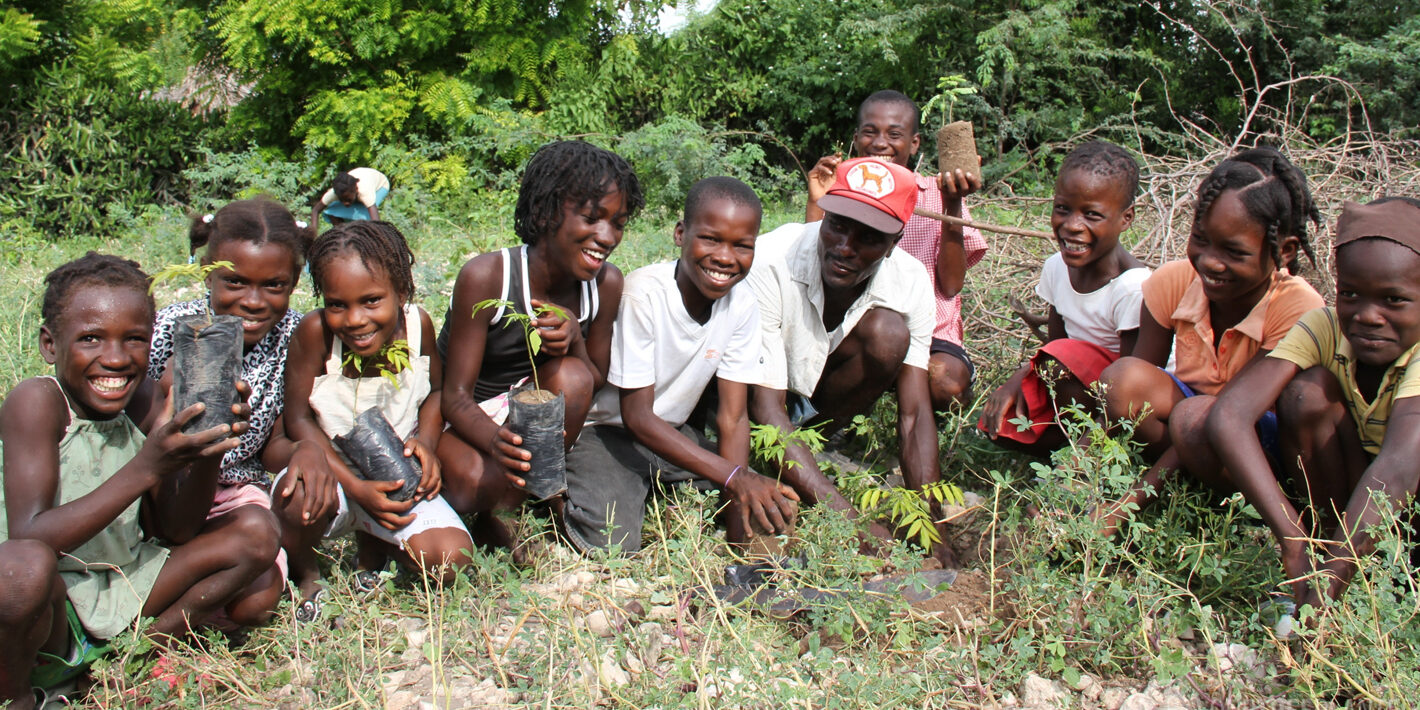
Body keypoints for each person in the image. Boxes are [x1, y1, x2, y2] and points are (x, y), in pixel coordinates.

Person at [0, 254, 274, 709]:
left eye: (134, 340)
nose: (115, 358)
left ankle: (128, 658)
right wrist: (146, 467)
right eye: (91, 339)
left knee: (255, 532)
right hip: (47, 606)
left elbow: (176, 531)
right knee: (21, 568)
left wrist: (208, 446)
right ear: (51, 344)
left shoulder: (144, 397)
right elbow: (30, 536)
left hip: (124, 586)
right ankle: (18, 694)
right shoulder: (38, 401)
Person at [1091, 147, 1325, 535]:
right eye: (1201, 239)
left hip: (1255, 451)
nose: (1210, 262)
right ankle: (1182, 490)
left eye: (1234, 252)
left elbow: (1228, 416)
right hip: (1191, 429)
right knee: (1122, 380)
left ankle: (1228, 512)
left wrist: (1126, 505)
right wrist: (1067, 481)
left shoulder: (1298, 308)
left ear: (1284, 251)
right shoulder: (1172, 282)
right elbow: (1123, 402)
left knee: (1196, 417)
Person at [562, 177, 799, 554]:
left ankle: (659, 490)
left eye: (742, 246)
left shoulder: (742, 305)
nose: (724, 257)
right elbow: (636, 416)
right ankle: (562, 495)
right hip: (607, 431)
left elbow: (733, 418)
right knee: (614, 544)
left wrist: (738, 523)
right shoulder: (644, 294)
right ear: (680, 234)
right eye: (710, 239)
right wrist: (735, 478)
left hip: (670, 433)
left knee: (769, 504)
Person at [1207, 197, 1420, 607]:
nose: (1368, 315)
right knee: (1307, 394)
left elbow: (1398, 469)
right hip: (1354, 506)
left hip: (1407, 511)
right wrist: (1291, 536)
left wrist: (1329, 580)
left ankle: (1360, 582)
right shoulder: (1324, 327)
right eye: (1351, 294)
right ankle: (1334, 559)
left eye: (1393, 300)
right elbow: (1229, 414)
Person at [748, 156, 958, 565]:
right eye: (838, 226)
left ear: (895, 242)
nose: (844, 247)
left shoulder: (910, 280)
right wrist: (850, 521)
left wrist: (932, 527)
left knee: (888, 334)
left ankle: (817, 445)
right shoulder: (772, 260)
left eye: (868, 237)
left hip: (818, 398)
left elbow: (914, 415)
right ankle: (796, 468)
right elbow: (765, 409)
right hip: (756, 399)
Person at [436, 141, 642, 555]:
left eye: (617, 223)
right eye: (591, 217)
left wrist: (576, 340)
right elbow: (453, 397)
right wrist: (497, 442)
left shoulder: (605, 285)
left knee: (573, 374)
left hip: (534, 419)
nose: (606, 236)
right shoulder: (489, 277)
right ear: (546, 212)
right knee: (479, 480)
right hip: (467, 419)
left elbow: (593, 380)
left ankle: (520, 501)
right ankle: (501, 505)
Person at [279, 221, 473, 622]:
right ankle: (307, 572)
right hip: (331, 478)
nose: (354, 320)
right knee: (295, 496)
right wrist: (355, 488)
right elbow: (298, 419)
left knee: (450, 558)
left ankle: (375, 543)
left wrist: (427, 444)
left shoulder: (417, 326)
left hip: (394, 475)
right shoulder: (315, 335)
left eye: (371, 301)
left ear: (401, 293)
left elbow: (436, 392)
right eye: (337, 304)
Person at [148, 197, 314, 625]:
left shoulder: (296, 337)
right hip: (166, 485)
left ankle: (195, 597)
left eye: (273, 285)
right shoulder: (171, 328)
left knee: (256, 603)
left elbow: (276, 441)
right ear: (208, 273)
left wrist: (304, 451)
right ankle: (150, 620)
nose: (254, 301)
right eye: (235, 282)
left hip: (238, 492)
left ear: (295, 280)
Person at [805, 90, 986, 408]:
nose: (880, 143)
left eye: (894, 134)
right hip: (861, 327)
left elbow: (952, 283)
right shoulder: (844, 189)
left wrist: (953, 203)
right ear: (857, 136)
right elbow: (812, 258)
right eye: (870, 132)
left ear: (914, 143)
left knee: (945, 380)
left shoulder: (935, 193)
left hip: (930, 332)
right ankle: (832, 418)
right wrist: (816, 198)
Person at [978, 141, 1150, 456]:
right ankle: (1065, 443)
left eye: (1092, 215)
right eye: (1063, 209)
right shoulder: (1056, 267)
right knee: (1000, 426)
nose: (1072, 226)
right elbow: (1052, 348)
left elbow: (1132, 386)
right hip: (1075, 383)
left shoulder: (1134, 288)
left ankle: (1088, 453)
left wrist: (1080, 464)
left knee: (1062, 362)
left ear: (1126, 219)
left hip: (1127, 403)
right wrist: (1016, 383)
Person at [311, 168, 391, 225]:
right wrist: (313, 235)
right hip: (358, 183)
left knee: (365, 217)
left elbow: (376, 222)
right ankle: (342, 233)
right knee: (332, 211)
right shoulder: (336, 192)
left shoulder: (365, 192)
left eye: (348, 199)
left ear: (355, 190)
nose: (345, 203)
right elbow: (315, 210)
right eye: (341, 200)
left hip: (380, 185)